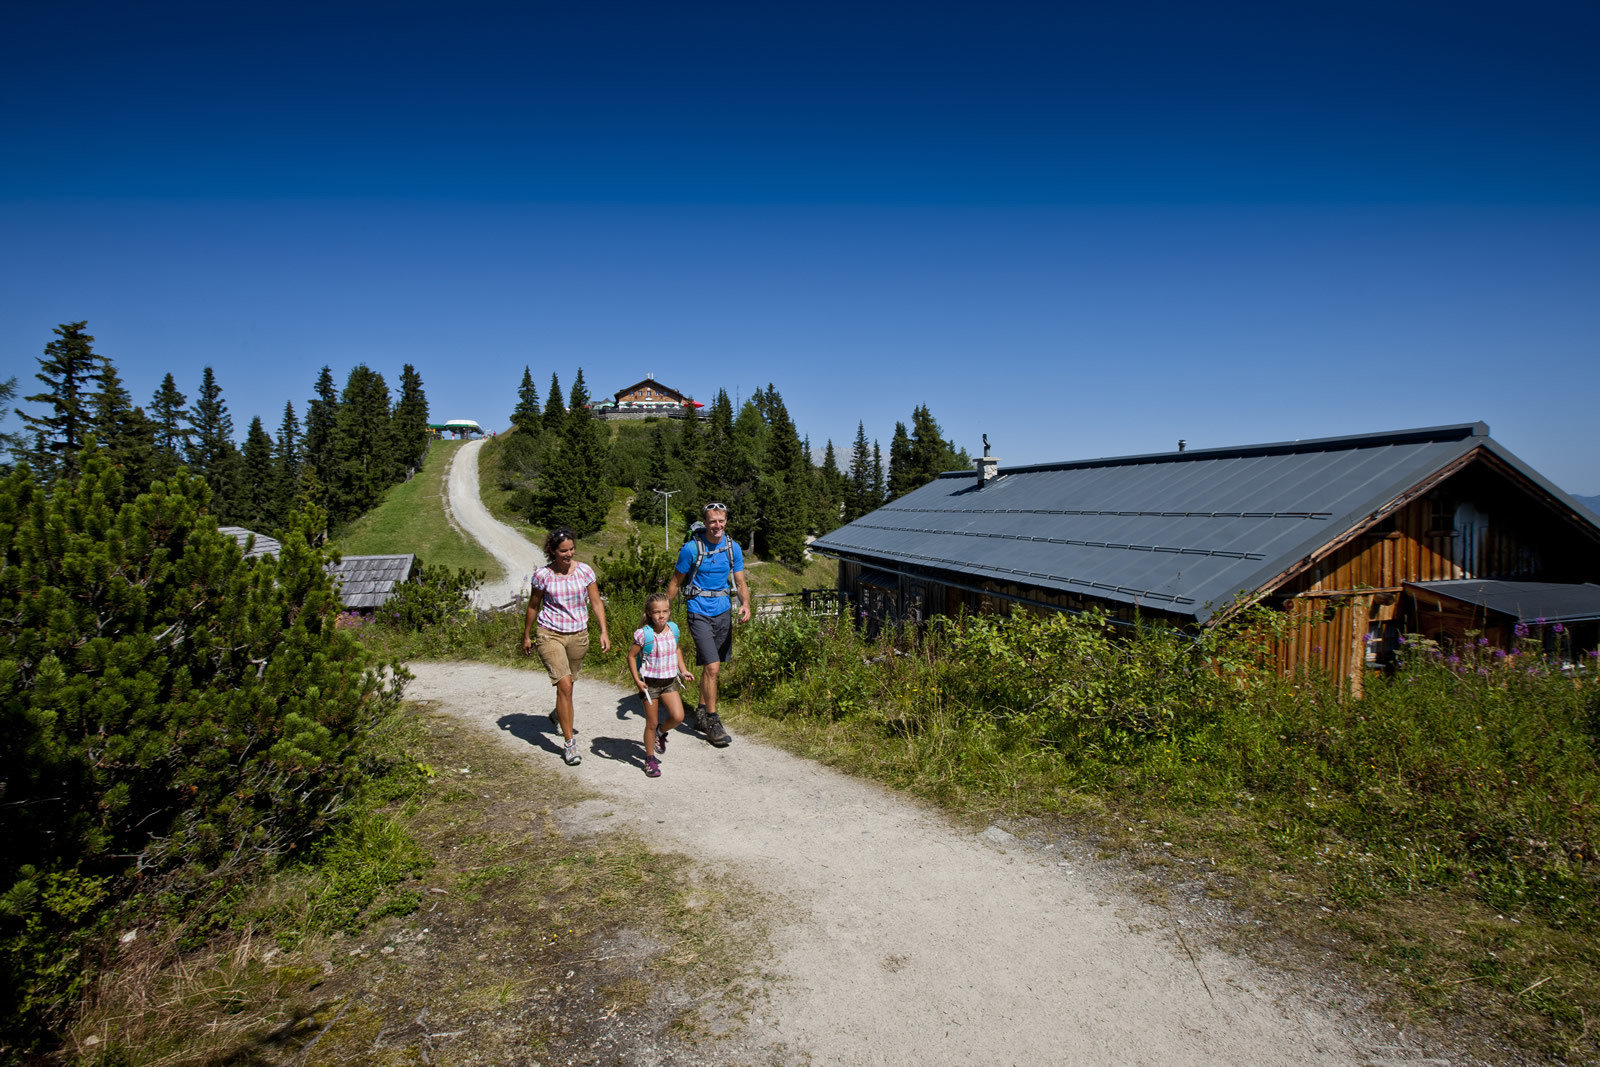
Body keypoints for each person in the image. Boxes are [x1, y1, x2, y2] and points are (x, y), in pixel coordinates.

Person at [522, 527, 610, 766]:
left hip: (578, 635)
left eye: (571, 549)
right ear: (552, 551)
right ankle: (570, 744)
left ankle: (557, 715)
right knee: (565, 685)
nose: (569, 554)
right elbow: (533, 605)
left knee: (569, 684)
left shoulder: (584, 571)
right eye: (563, 551)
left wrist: (603, 631)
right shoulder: (543, 576)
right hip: (549, 634)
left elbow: (595, 602)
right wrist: (527, 635)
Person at [665, 502, 750, 747]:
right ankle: (713, 721)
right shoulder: (691, 549)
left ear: (726, 521)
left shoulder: (733, 548)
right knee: (712, 667)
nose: (718, 526)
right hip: (698, 611)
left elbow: (741, 581)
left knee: (713, 667)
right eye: (713, 521)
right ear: (705, 522)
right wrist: (663, 615)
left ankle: (701, 713)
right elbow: (675, 582)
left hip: (723, 611)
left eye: (721, 521)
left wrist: (746, 604)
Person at [627, 592, 695, 777]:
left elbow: (677, 649)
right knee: (651, 722)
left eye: (665, 611)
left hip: (668, 681)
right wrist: (637, 680)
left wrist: (683, 670)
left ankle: (661, 732)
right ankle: (649, 760)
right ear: (649, 613)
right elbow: (631, 656)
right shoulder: (644, 635)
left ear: (669, 612)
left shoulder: (673, 630)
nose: (661, 615)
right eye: (657, 612)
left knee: (678, 716)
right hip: (649, 686)